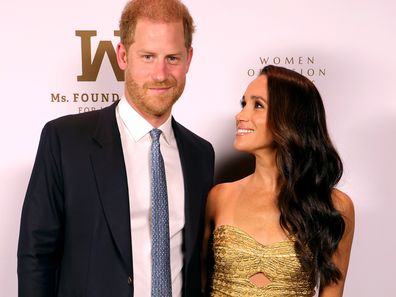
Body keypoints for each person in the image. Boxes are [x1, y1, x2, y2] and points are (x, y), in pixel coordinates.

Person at [17, 0, 214, 296]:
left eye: (172, 58)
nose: (160, 74)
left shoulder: (200, 154)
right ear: (122, 56)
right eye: (147, 57)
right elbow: (36, 256)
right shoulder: (66, 140)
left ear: (189, 59)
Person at [201, 65, 354, 297]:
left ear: (290, 119)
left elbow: (333, 292)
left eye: (258, 105)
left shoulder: (334, 206)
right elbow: (199, 285)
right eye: (244, 104)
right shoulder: (220, 196)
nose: (240, 116)